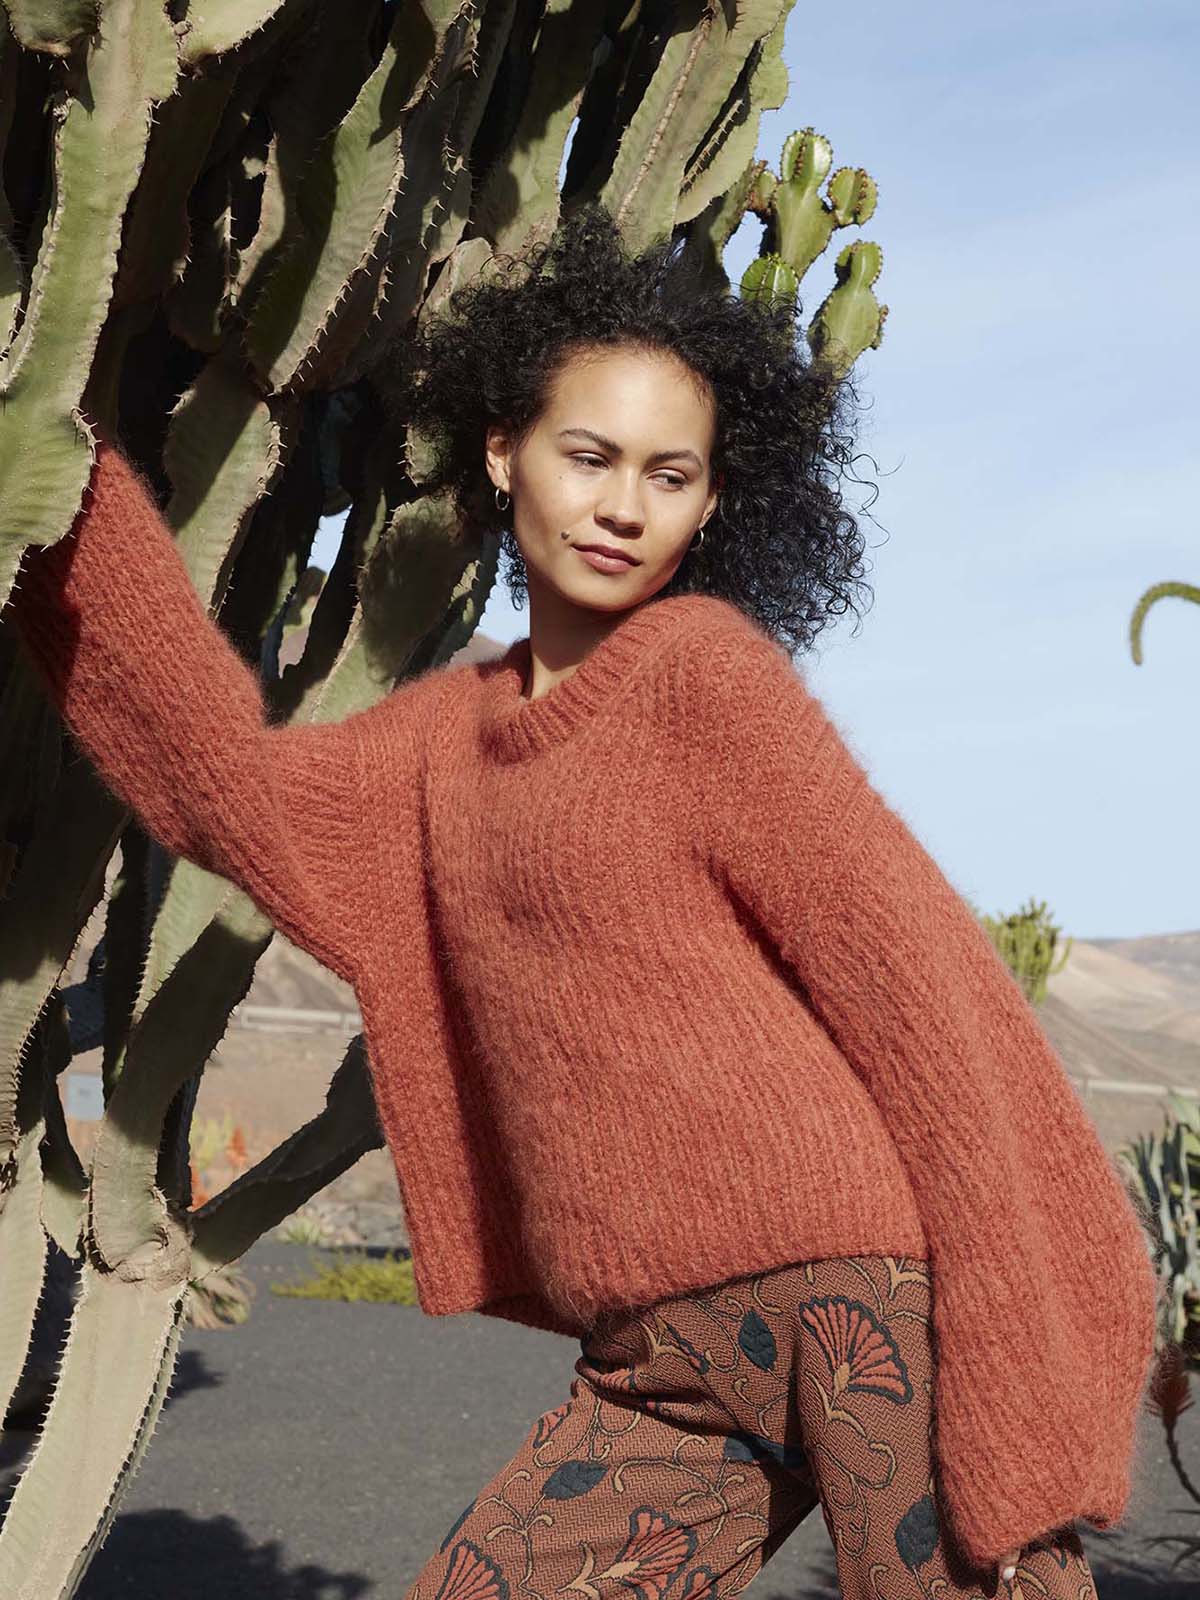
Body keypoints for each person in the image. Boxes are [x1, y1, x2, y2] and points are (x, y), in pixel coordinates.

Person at [8, 203, 1159, 1599]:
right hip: (653, 1356)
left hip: (854, 1304)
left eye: (670, 475)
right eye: (590, 456)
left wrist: (1020, 1304)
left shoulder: (703, 679)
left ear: (712, 503)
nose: (624, 507)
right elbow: (225, 790)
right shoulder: (441, 741)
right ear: (506, 452)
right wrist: (52, 489)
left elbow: (913, 979)